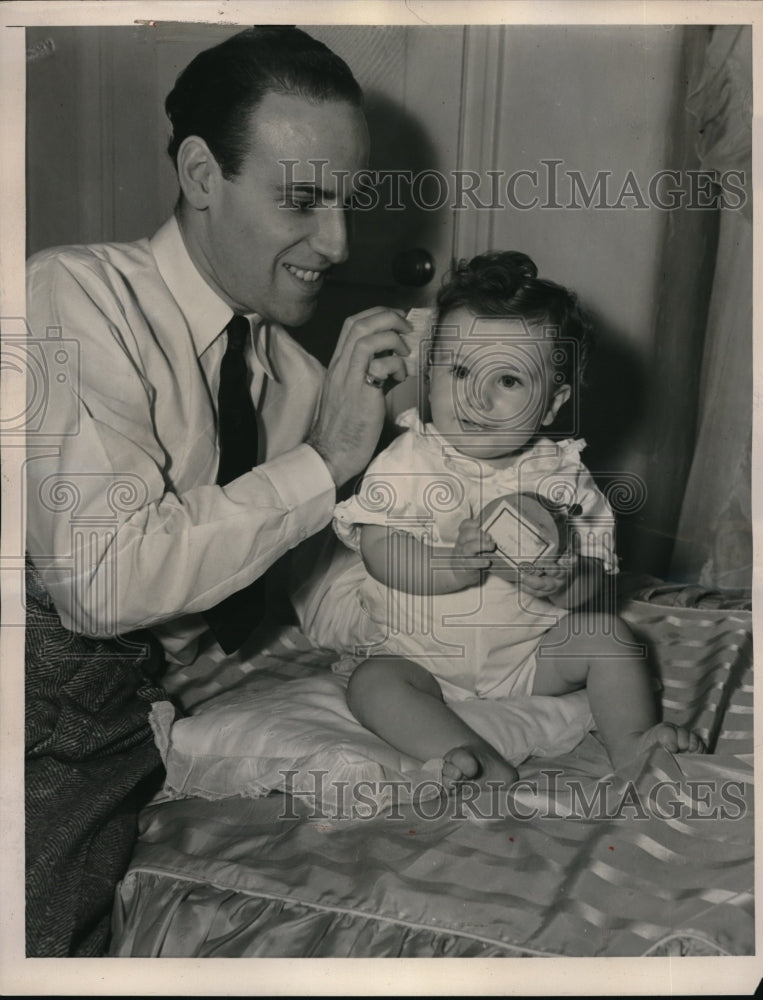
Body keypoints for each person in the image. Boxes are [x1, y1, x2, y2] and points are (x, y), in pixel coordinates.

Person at [24, 26, 413, 956]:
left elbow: (321, 593)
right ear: (202, 175)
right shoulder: (68, 296)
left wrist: (454, 545)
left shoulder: (300, 381)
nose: (339, 242)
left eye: (348, 203)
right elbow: (100, 583)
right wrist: (322, 463)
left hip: (150, 704)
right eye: (304, 203)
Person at [296, 251, 703, 789]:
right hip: (423, 658)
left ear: (552, 404)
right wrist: (452, 566)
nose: (476, 395)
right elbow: (380, 551)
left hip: (529, 660)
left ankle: (630, 741)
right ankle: (472, 757)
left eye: (509, 380)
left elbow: (596, 585)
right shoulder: (410, 460)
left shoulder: (562, 478)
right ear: (432, 369)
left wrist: (564, 582)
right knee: (372, 685)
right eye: (460, 369)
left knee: (608, 634)